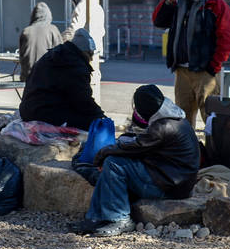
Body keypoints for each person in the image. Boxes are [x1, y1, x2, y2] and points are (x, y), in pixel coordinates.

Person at [67, 84, 199, 237]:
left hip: (170, 187)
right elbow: (141, 147)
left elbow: (135, 147)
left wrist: (101, 154)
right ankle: (96, 217)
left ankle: (120, 218)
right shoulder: (174, 118)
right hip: (173, 180)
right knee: (114, 163)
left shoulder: (163, 127)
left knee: (114, 164)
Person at [151, 0, 230, 129]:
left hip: (205, 73)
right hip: (182, 72)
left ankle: (214, 152)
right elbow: (159, 21)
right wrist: (169, 1)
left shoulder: (216, 5)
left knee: (211, 118)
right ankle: (187, 153)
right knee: (182, 118)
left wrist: (213, 67)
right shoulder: (181, 3)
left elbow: (226, 39)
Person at [19, 28, 104, 130]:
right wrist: (100, 116)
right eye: (91, 55)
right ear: (86, 53)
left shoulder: (55, 55)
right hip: (43, 114)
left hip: (29, 110)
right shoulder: (75, 64)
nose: (91, 59)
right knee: (93, 122)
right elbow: (83, 100)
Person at [62, 0, 106, 100]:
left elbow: (74, 29)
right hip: (95, 49)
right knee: (94, 79)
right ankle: (94, 104)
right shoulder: (97, 5)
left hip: (84, 51)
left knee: (82, 82)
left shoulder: (82, 6)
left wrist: (61, 40)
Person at [19, 2, 62, 81]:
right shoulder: (53, 30)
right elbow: (61, 55)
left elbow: (21, 56)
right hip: (47, 77)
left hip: (28, 77)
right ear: (48, 15)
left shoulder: (26, 31)